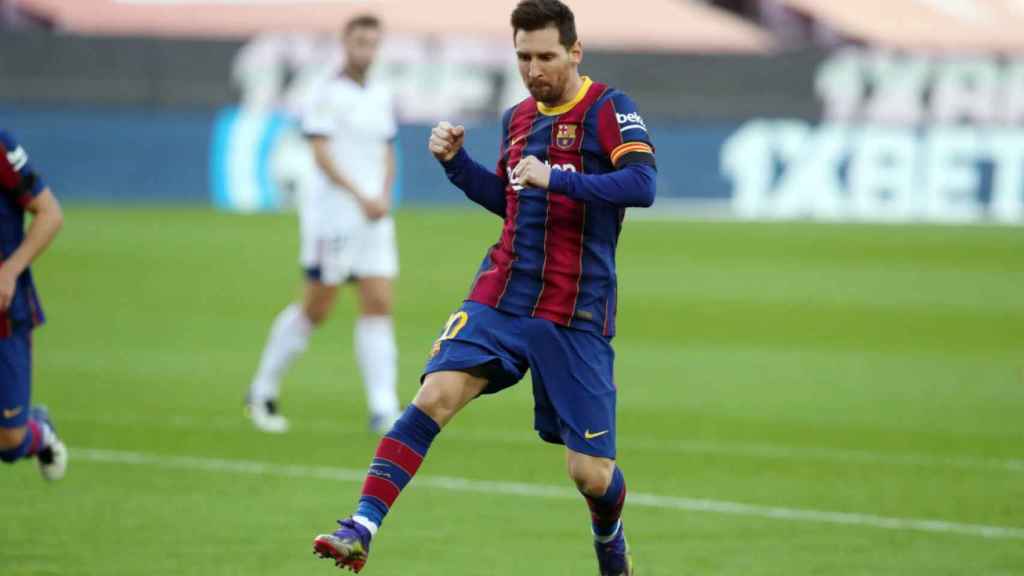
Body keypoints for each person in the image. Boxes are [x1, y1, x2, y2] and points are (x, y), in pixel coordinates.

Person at [312, 1, 655, 574]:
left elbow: (642, 184)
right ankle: (361, 526)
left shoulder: (609, 109)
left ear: (574, 51)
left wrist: (560, 177)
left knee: (589, 474)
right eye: (523, 56)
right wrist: (457, 165)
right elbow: (512, 203)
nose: (534, 69)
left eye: (546, 56)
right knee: (434, 396)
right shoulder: (517, 119)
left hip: (574, 307)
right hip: (503, 292)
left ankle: (611, 537)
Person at [246, 14, 402, 435]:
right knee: (317, 306)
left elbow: (387, 150)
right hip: (334, 214)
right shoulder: (326, 92)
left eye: (372, 42)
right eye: (358, 41)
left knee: (379, 301)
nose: (365, 49)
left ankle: (383, 407)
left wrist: (383, 194)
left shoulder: (382, 93)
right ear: (345, 43)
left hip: (374, 214)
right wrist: (361, 195)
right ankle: (262, 388)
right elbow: (321, 153)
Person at [0, 129, 66, 480]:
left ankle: (38, 430)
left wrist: (11, 269)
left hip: (5, 314)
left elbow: (50, 213)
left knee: (10, 442)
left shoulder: (2, 147)